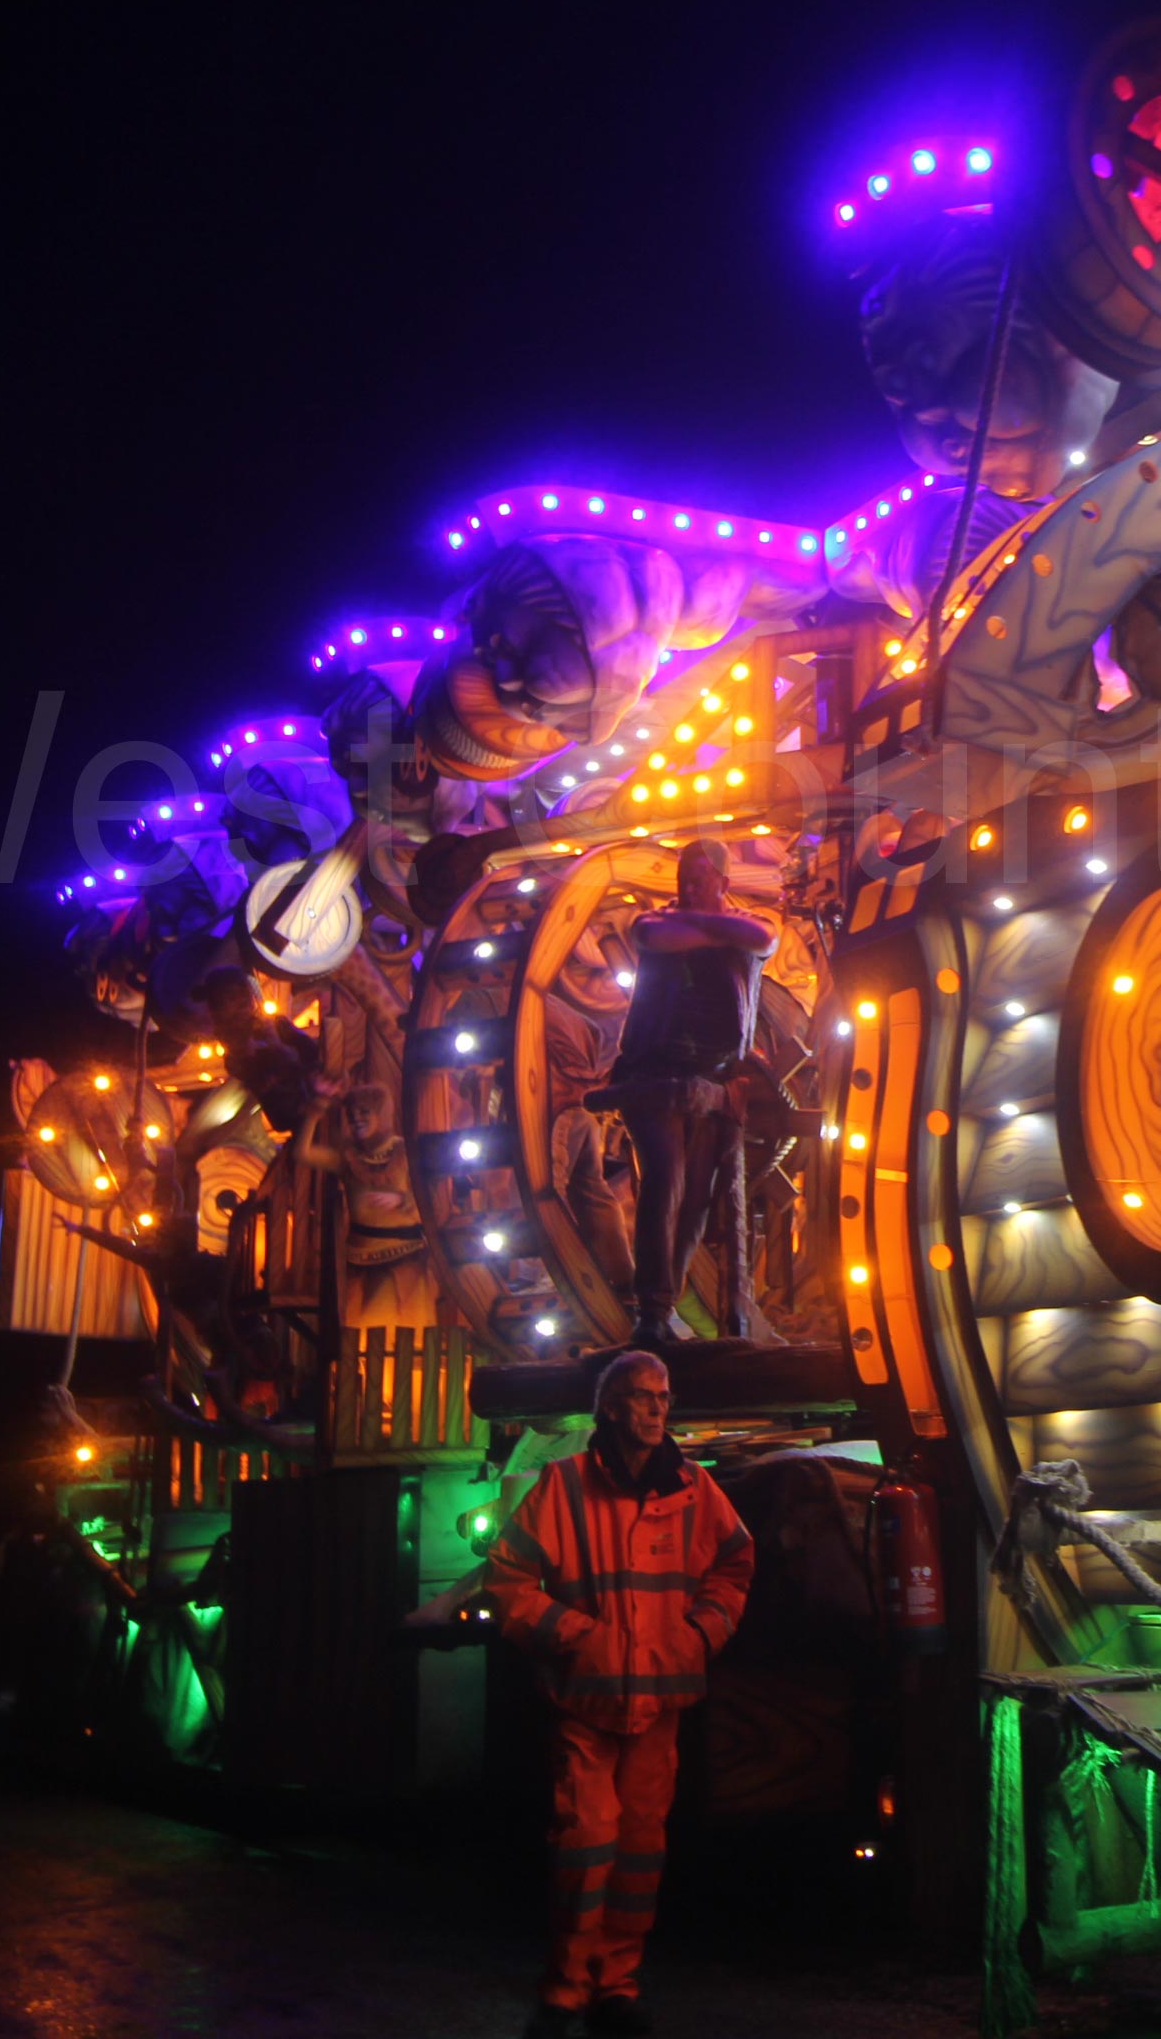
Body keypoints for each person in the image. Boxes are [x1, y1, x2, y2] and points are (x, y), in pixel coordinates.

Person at [486, 1350, 753, 2038]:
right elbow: (508, 1581)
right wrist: (577, 1638)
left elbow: (735, 1563)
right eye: (642, 1396)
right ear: (609, 1407)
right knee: (585, 1843)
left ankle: (615, 1989)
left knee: (638, 1852)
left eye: (664, 1397)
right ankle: (566, 1991)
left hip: (658, 1703)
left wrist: (699, 1635)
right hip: (586, 1701)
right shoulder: (564, 1486)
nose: (657, 1408)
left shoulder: (694, 1489)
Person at [600, 841, 775, 1347]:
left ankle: (666, 1300)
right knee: (665, 1179)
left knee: (697, 1197)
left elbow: (762, 938)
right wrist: (718, 929)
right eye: (684, 876)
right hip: (652, 1073)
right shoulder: (652, 923)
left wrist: (702, 927)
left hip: (717, 1079)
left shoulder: (752, 925)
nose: (690, 885)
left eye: (700, 876)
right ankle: (652, 1311)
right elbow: (656, 938)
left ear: (724, 881)